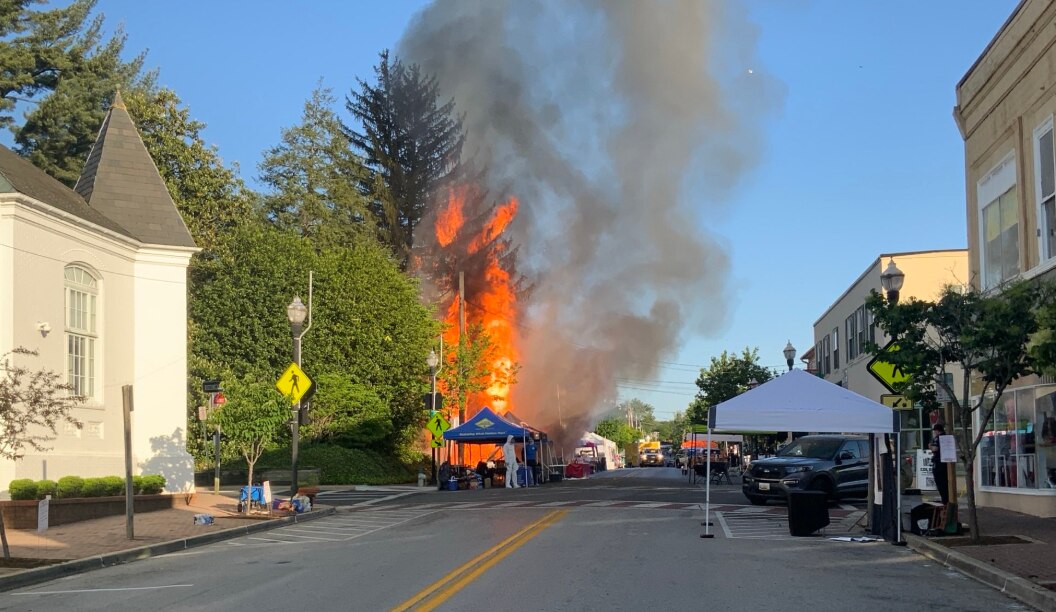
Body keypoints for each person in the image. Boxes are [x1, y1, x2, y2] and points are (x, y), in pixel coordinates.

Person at [930, 423, 950, 506]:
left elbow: (935, 448)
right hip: (945, 464)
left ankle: (945, 501)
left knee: (940, 483)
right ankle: (947, 500)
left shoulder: (938, 438)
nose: (934, 432)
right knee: (945, 483)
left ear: (937, 431)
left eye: (935, 431)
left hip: (938, 463)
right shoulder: (947, 437)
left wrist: (930, 446)